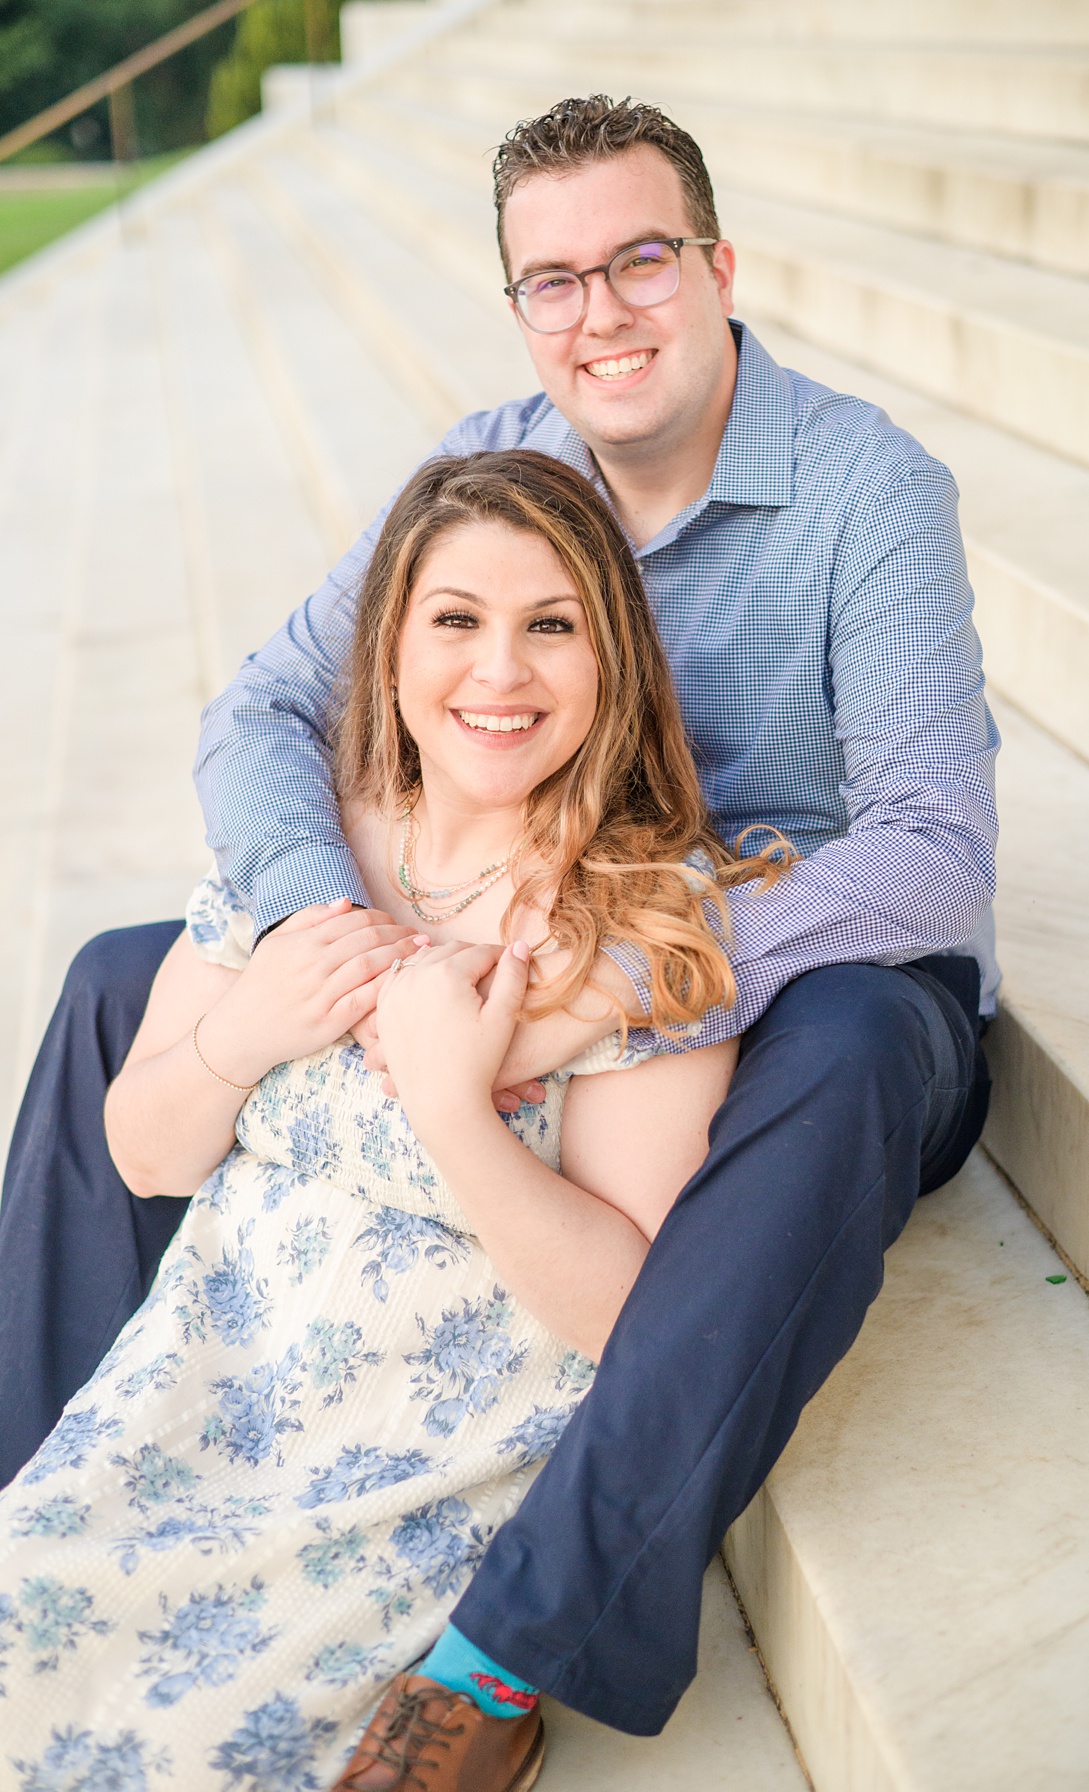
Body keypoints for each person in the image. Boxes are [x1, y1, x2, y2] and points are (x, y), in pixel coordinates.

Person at [0, 96, 993, 1778]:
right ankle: (58, 1459)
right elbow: (265, 711)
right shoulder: (494, 468)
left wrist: (607, 987)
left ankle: (503, 1650)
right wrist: (346, 943)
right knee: (124, 977)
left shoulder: (861, 489)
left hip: (790, 956)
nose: (599, 312)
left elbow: (932, 851)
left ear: (717, 265)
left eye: (638, 260)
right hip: (523, 913)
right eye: (555, 279)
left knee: (846, 1058)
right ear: (521, 303)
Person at [0, 450, 788, 1786]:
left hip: (395, 1489)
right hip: (181, 1417)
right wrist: (250, 1029)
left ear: (614, 658)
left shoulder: (638, 921)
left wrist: (453, 1112)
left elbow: (627, 1315)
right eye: (457, 621)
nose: (502, 673)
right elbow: (142, 1150)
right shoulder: (307, 854)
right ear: (389, 651)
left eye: (553, 626)